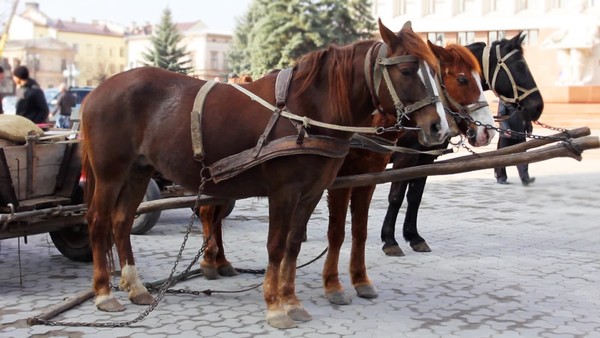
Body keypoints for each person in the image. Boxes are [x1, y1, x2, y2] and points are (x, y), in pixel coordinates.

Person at [494, 102, 535, 186]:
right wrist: (506, 129)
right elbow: (501, 116)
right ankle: (501, 177)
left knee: (523, 157)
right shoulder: (504, 100)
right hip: (506, 135)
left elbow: (527, 116)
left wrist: (529, 129)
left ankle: (525, 178)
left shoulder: (524, 100)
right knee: (502, 157)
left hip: (520, 134)